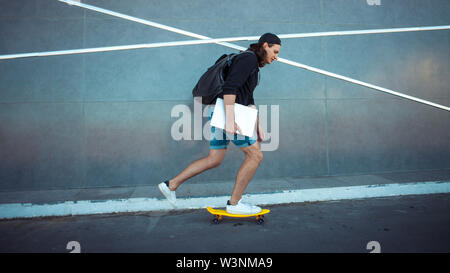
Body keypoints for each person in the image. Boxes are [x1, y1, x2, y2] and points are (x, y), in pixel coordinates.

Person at [158, 33, 281, 214]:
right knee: (255, 155)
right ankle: (234, 204)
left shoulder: (251, 63)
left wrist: (258, 125)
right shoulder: (248, 59)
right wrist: (230, 120)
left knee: (214, 159)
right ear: (265, 45)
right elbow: (229, 88)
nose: (276, 57)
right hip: (230, 113)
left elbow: (249, 97)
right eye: (275, 51)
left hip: (222, 112)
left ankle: (171, 185)